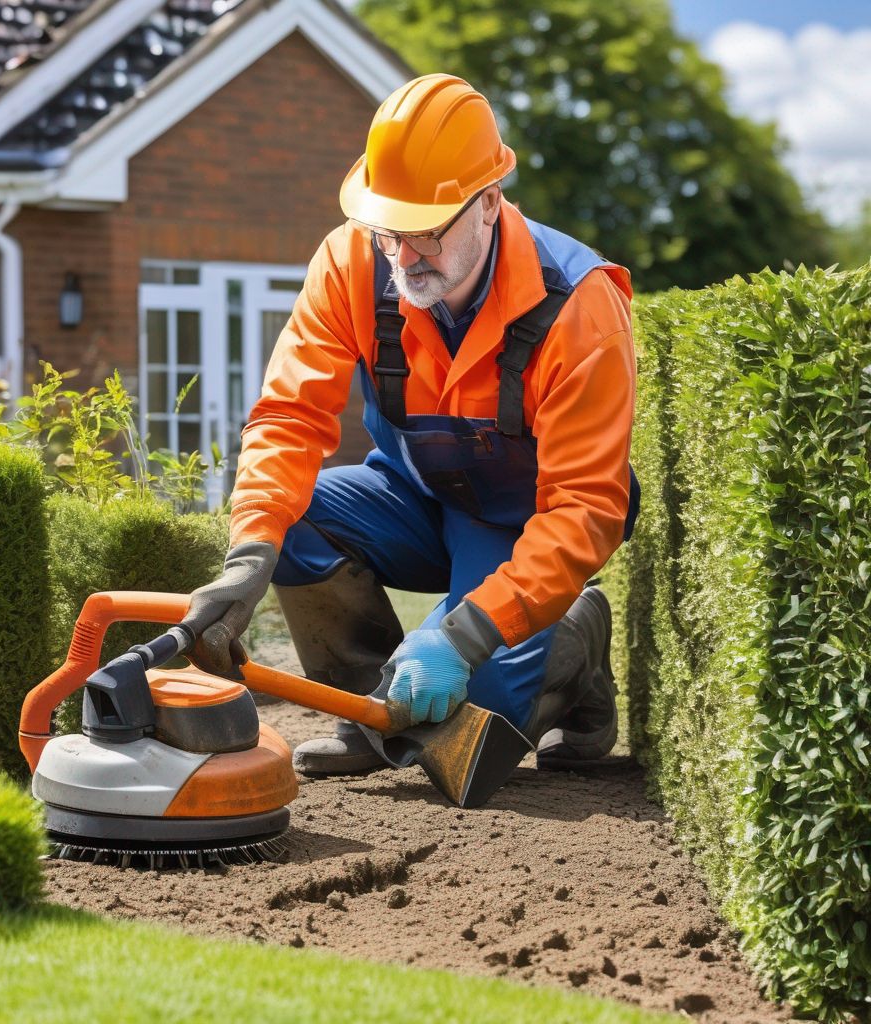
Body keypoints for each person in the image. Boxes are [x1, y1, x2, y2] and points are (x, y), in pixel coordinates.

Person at [181, 74, 639, 778]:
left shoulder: (579, 305)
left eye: (425, 232)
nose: (403, 255)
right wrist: (247, 562)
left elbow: (586, 508)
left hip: (519, 529)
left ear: (489, 203)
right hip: (409, 494)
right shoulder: (349, 262)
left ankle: (576, 638)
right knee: (287, 522)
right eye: (388, 230)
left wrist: (462, 639)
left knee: (472, 746)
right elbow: (289, 416)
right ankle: (373, 714)